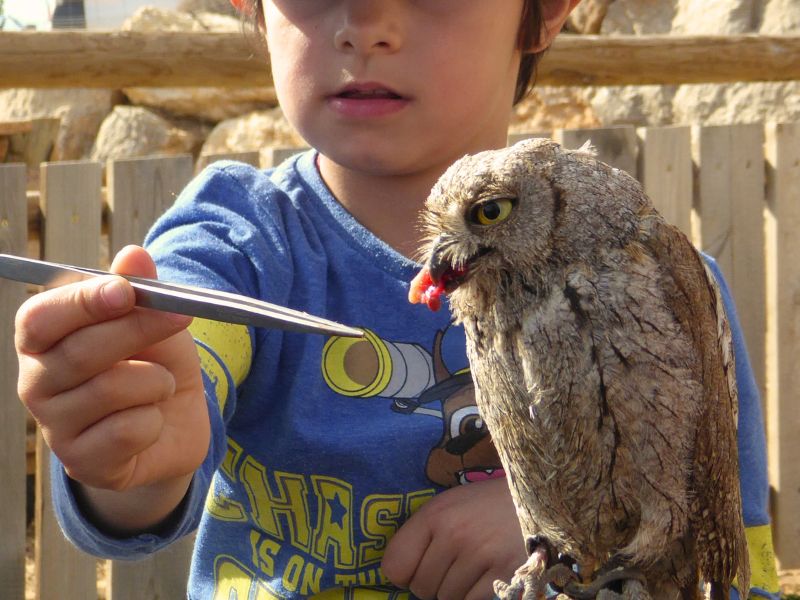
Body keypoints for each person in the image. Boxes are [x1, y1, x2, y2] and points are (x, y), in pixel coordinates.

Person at [13, 1, 780, 599]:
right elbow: (189, 357)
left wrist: (568, 527)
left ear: (546, 10)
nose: (366, 25)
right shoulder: (241, 245)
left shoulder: (668, 291)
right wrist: (132, 432)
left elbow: (727, 564)